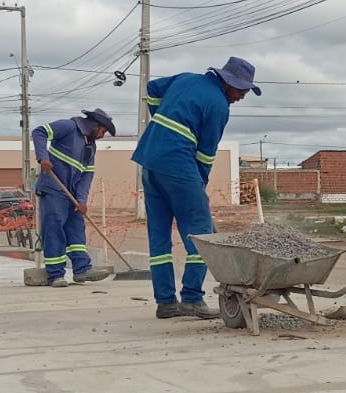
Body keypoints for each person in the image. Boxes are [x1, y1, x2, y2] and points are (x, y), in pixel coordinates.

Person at [132, 57, 260, 319]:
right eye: (241, 90)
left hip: (150, 162)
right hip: (179, 166)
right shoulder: (218, 106)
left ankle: (166, 302)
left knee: (159, 237)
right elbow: (205, 154)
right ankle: (191, 297)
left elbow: (153, 88)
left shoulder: (186, 78)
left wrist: (161, 122)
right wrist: (199, 183)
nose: (242, 97)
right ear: (228, 82)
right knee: (202, 236)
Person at [33, 108, 116, 287]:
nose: (102, 135)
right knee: (54, 228)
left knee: (76, 229)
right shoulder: (68, 127)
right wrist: (42, 157)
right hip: (53, 189)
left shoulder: (90, 147)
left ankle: (82, 269)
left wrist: (82, 201)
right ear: (94, 125)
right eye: (102, 131)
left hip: (72, 195)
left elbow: (87, 175)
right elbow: (39, 131)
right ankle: (55, 274)